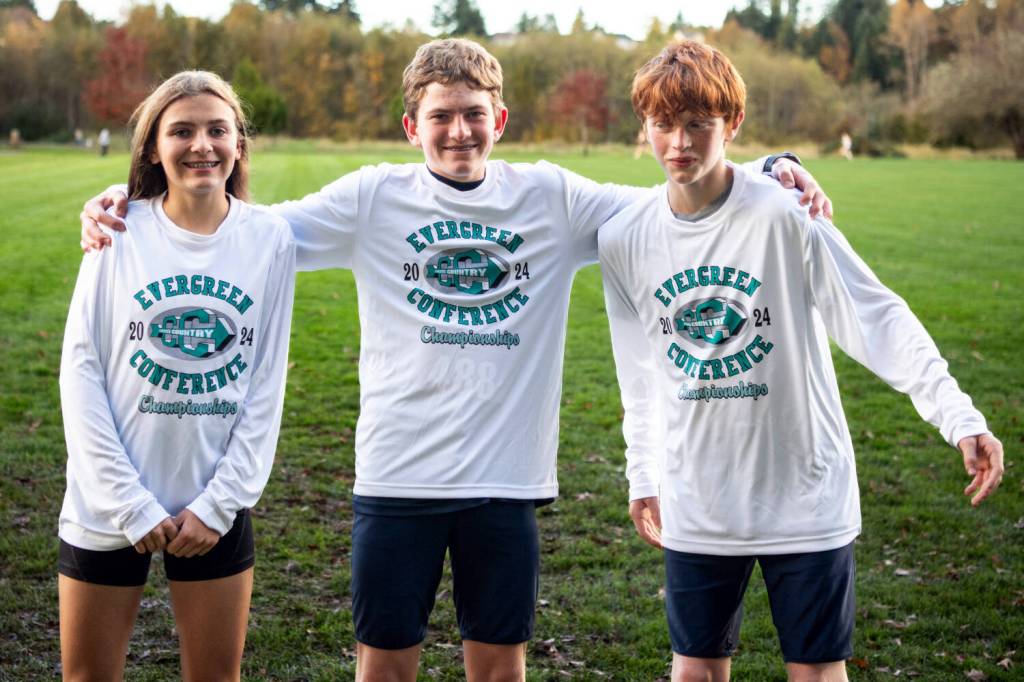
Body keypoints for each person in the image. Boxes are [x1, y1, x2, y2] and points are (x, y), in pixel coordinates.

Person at [78, 39, 833, 681]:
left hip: (506, 484)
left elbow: (676, 192)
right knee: (383, 666)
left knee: (500, 668)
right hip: (396, 477)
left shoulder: (551, 196)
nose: (459, 131)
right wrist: (132, 203)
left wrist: (772, 165)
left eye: (474, 114)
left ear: (499, 120)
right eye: (441, 116)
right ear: (413, 125)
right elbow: (247, 231)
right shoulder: (373, 197)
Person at [598, 40, 1004, 682]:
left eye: (699, 124)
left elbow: (875, 315)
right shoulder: (624, 238)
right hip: (698, 496)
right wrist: (642, 471)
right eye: (664, 124)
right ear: (643, 125)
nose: (679, 142)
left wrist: (958, 415)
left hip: (805, 494)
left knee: (816, 672)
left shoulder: (786, 212)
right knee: (694, 670)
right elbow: (640, 372)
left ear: (732, 124)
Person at [58, 71, 295, 681]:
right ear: (153, 148)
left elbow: (266, 384)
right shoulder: (117, 228)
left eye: (218, 130)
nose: (202, 145)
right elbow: (80, 371)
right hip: (106, 502)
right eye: (182, 131)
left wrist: (221, 503)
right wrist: (126, 502)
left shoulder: (269, 238)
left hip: (213, 502)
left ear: (239, 143)